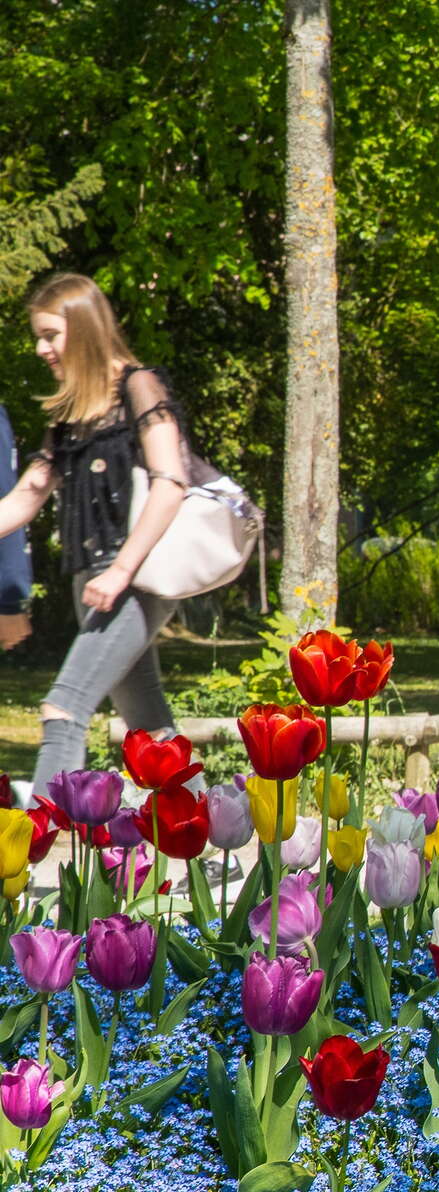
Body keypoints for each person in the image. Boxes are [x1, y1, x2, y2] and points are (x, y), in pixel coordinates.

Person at [0, 274, 202, 808]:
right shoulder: (71, 414)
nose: (41, 349)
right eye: (38, 337)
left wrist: (121, 572)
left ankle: (32, 852)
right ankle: (213, 836)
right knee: (148, 722)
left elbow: (170, 484)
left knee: (63, 707)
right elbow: (26, 497)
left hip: (137, 577)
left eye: (50, 335)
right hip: (95, 580)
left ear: (85, 328)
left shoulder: (140, 388)